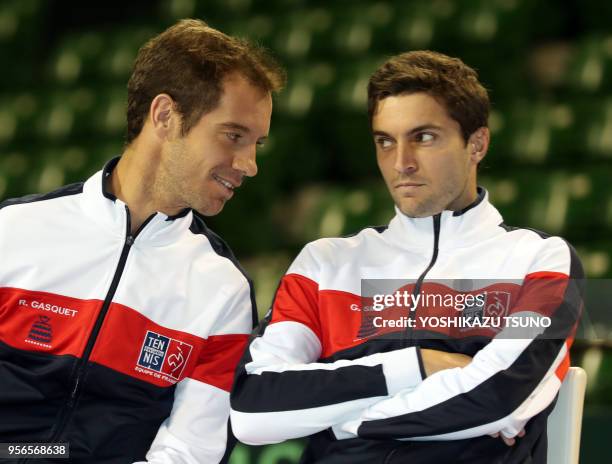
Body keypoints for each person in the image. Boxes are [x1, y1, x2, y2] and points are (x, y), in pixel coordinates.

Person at [230, 51, 583, 463]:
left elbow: (500, 394)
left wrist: (347, 422)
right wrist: (416, 366)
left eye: (424, 137)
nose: (402, 163)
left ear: (477, 144)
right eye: (385, 141)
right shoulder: (324, 263)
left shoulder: (540, 259)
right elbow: (254, 409)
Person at [0, 19, 284, 463]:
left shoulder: (223, 289)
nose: (249, 164)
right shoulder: (12, 231)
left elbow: (192, 450)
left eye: (256, 144)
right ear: (165, 116)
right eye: (233, 136)